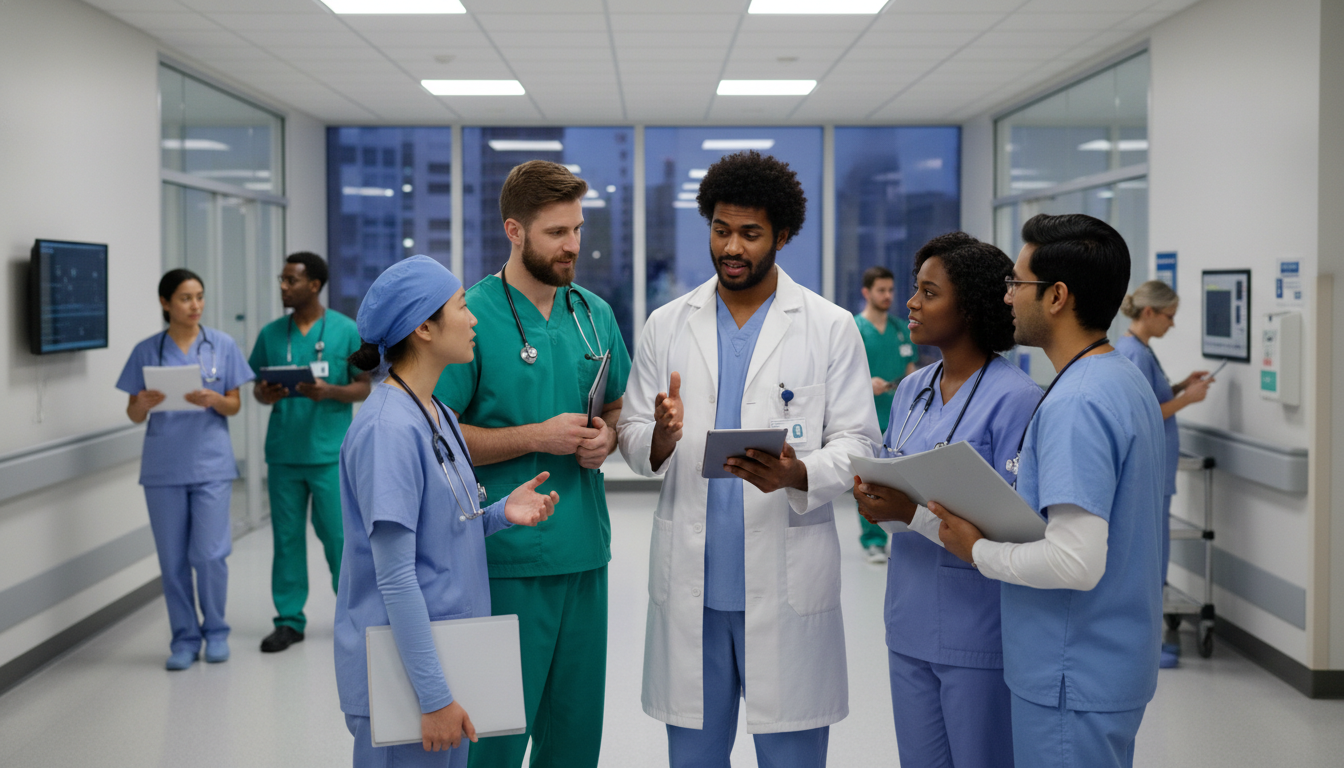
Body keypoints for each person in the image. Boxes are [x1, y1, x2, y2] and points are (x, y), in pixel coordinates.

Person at [617, 150, 881, 768]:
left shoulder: (829, 326)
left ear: (782, 236)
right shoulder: (665, 324)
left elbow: (859, 442)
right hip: (694, 588)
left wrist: (799, 472)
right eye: (720, 229)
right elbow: (631, 434)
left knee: (791, 756)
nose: (732, 246)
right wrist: (658, 436)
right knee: (694, 759)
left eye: (750, 233)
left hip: (786, 582)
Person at [931, 213, 1165, 768]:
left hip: (1069, 671)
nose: (1007, 297)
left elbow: (1075, 562)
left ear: (1057, 296)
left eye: (1017, 283)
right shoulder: (1120, 379)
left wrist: (977, 551)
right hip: (1109, 660)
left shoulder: (1075, 403)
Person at [433, 161, 631, 768]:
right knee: (495, 735)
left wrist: (608, 438)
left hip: (583, 555)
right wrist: (533, 437)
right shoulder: (470, 317)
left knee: (574, 733)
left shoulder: (593, 313)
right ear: (514, 231)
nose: (572, 245)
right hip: (505, 560)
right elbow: (439, 438)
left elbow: (616, 404)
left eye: (577, 228)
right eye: (556, 232)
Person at [334, 255, 560, 768]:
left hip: (447, 656)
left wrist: (501, 512)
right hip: (407, 678)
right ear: (424, 328)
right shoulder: (388, 431)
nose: (473, 317)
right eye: (462, 306)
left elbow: (442, 528)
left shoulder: (435, 413)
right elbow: (395, 577)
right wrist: (433, 697)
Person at [852, 236, 1040, 768]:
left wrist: (910, 513)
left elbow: (1021, 529)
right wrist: (871, 495)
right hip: (908, 621)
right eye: (914, 290)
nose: (911, 303)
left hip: (977, 631)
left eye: (928, 293)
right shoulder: (913, 390)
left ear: (971, 306)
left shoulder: (1017, 399)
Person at [115, 269, 254, 670]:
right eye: (185, 298)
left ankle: (216, 631)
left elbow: (235, 404)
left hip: (210, 464)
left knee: (210, 555)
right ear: (165, 303)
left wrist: (214, 399)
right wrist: (142, 403)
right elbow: (133, 414)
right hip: (163, 468)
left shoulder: (222, 345)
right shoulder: (146, 351)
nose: (195, 305)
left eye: (199, 297)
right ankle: (184, 638)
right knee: (172, 560)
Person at [250, 251, 370, 653]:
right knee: (286, 540)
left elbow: (365, 385)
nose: (283, 287)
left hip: (329, 455)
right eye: (282, 280)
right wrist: (264, 393)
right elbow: (257, 387)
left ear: (314, 285)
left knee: (339, 538)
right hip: (284, 454)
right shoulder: (270, 334)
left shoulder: (346, 330)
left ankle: (354, 615)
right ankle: (288, 620)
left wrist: (331, 392)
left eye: (290, 280)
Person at [1115, 280, 1213, 669]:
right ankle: (1143, 650)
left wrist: (1179, 386)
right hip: (1149, 473)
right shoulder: (1132, 354)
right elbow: (1140, 414)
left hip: (1157, 472)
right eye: (1169, 317)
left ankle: (1147, 644)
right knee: (1147, 563)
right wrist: (1187, 400)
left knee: (1154, 560)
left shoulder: (1140, 351)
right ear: (1149, 313)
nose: (1172, 325)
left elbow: (1154, 397)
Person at [854, 264, 922, 563]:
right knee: (868, 484)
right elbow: (842, 375)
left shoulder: (900, 329)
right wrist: (866, 383)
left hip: (899, 418)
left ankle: (902, 537)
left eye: (891, 290)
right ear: (866, 292)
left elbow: (911, 371)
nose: (888, 296)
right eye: (881, 290)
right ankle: (873, 539)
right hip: (865, 414)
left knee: (900, 484)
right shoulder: (854, 329)